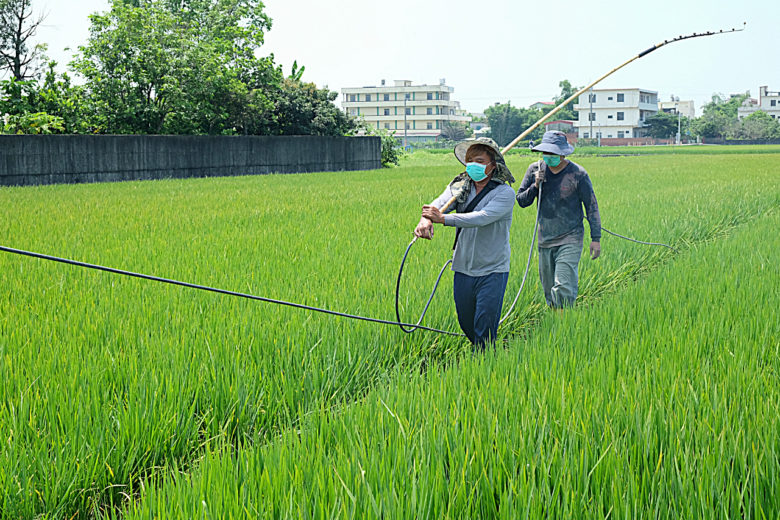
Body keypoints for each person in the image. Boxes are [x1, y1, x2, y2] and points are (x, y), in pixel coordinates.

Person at [414, 137, 516, 349]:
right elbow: (438, 204)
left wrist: (442, 220)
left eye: (479, 161)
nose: (473, 165)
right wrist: (426, 219)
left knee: (484, 328)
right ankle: (482, 357)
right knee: (466, 323)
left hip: (492, 270)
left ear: (493, 165)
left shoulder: (504, 193)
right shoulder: (460, 188)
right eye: (469, 160)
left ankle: (486, 365)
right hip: (462, 268)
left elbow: (482, 217)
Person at [516, 131, 601, 309]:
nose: (549, 157)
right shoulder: (535, 169)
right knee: (549, 289)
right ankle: (557, 320)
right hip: (545, 238)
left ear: (563, 153)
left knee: (563, 284)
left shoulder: (578, 174)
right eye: (546, 153)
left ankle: (564, 322)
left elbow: (591, 205)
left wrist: (595, 238)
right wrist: (535, 185)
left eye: (553, 153)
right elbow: (522, 201)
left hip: (571, 237)